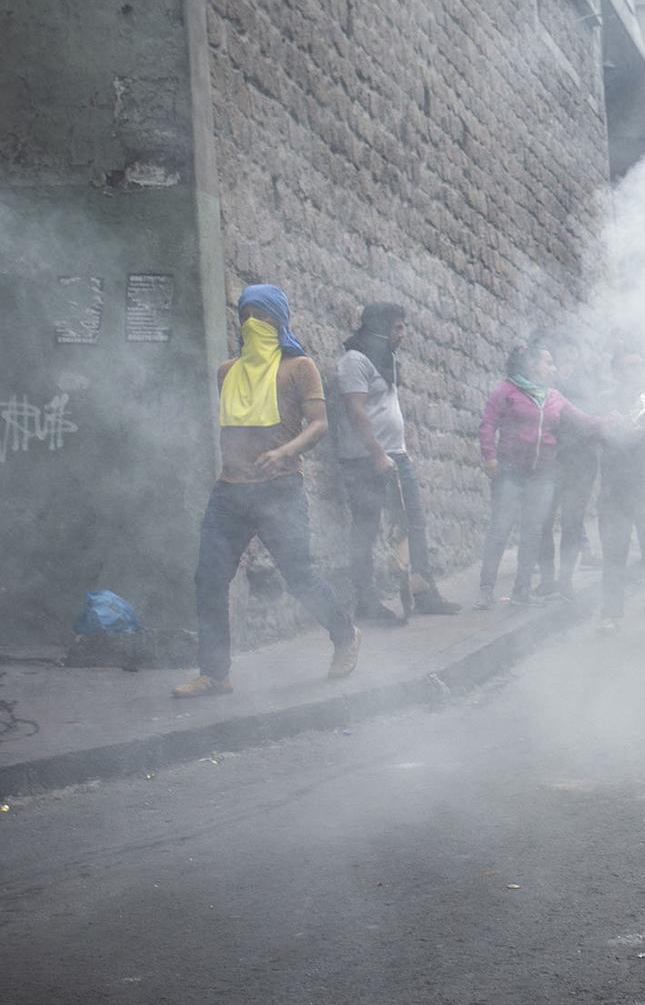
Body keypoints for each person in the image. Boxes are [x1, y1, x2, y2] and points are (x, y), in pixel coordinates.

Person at [173, 285, 358, 698]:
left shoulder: (299, 367)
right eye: (246, 315)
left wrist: (284, 452)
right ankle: (215, 673)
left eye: (263, 316)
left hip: (281, 489)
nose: (253, 324)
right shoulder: (227, 371)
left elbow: (319, 423)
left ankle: (345, 636)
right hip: (230, 491)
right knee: (209, 579)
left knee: (299, 576)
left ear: (279, 319)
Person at [329, 302, 460, 622]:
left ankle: (424, 593)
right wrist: (377, 453)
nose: (403, 333)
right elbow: (356, 410)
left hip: (395, 456)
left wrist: (400, 448)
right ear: (379, 328)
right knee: (366, 530)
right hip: (365, 460)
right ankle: (366, 602)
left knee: (413, 524)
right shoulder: (353, 361)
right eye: (398, 327)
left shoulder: (385, 360)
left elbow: (387, 408)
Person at [475, 345, 603, 610]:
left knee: (532, 532)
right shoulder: (506, 391)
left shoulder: (554, 397)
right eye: (549, 362)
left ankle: (521, 592)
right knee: (500, 530)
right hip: (510, 471)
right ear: (532, 365)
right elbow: (488, 424)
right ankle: (486, 590)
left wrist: (612, 422)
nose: (553, 368)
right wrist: (490, 456)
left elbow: (585, 421)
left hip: (543, 474)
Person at [595, 352, 645, 632]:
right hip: (615, 486)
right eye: (630, 367)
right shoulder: (605, 400)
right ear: (616, 371)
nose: (637, 372)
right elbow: (594, 433)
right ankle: (610, 613)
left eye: (640, 366)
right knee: (614, 552)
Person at [533, 334, 601, 598]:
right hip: (550, 463)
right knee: (544, 522)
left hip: (580, 463)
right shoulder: (542, 388)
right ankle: (549, 578)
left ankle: (565, 580)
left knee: (572, 522)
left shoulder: (584, 385)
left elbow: (590, 420)